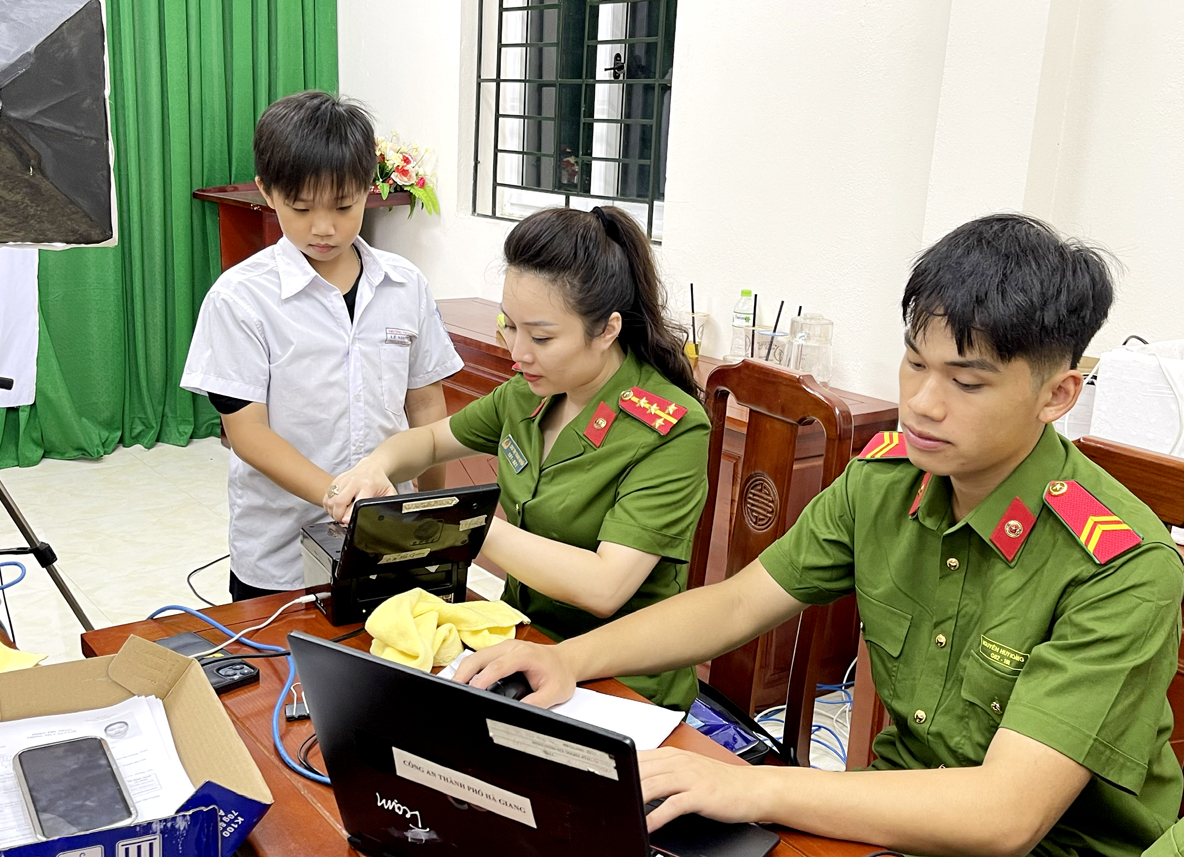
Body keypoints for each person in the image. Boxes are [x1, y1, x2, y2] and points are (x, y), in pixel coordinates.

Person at [453, 214, 1184, 857]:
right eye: (915, 363)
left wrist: (752, 788)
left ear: (1057, 394)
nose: (923, 404)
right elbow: (735, 606)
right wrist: (566, 661)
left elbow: (1006, 815)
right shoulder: (888, 481)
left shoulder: (1121, 565)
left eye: (968, 383)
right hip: (889, 820)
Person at [325, 205, 711, 710]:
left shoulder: (668, 428)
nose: (517, 351)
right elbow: (430, 442)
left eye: (542, 337)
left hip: (622, 683)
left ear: (608, 330)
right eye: (510, 326)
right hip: (523, 645)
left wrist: (459, 523)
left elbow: (605, 585)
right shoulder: (530, 392)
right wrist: (373, 467)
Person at [181, 91, 463, 600]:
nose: (324, 228)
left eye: (343, 205)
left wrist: (435, 511)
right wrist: (340, 496)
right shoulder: (240, 299)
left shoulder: (406, 285)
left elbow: (425, 407)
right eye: (302, 207)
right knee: (282, 675)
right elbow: (248, 434)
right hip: (279, 552)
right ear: (267, 192)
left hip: (389, 541)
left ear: (369, 191)